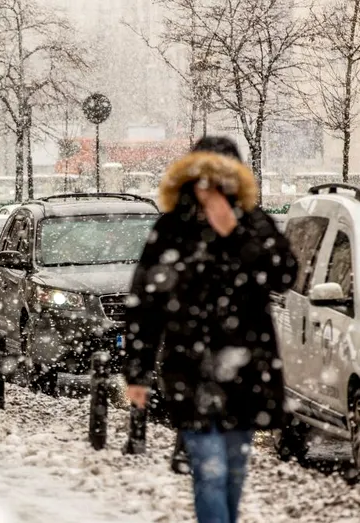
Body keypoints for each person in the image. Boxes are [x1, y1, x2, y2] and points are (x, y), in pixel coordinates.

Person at [123, 136, 298, 523]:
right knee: (209, 471)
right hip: (190, 368)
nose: (213, 189)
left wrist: (235, 233)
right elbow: (145, 304)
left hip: (248, 368)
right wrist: (137, 371)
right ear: (190, 180)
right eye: (205, 179)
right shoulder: (172, 230)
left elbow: (284, 274)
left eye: (223, 180)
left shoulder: (254, 223)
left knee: (233, 472)